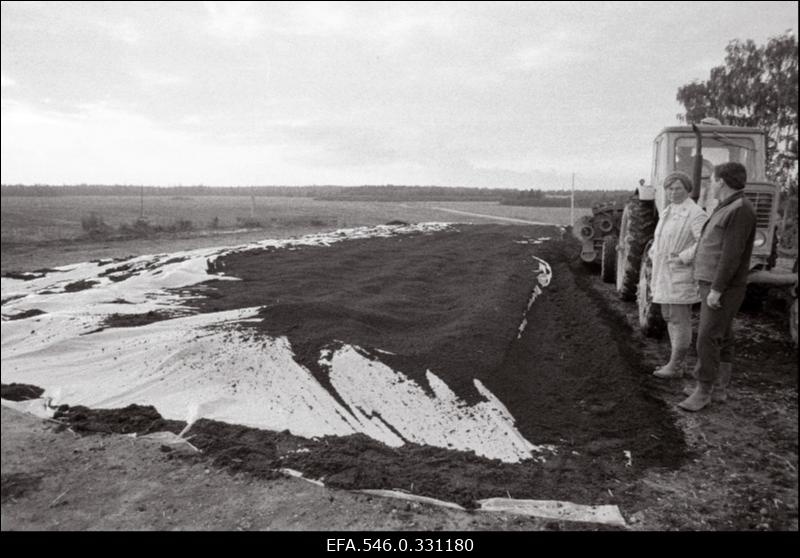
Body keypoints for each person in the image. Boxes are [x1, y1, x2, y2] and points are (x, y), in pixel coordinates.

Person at [679, 161, 756, 412]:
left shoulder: (740, 209)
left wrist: (717, 289)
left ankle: (703, 391)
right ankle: (720, 389)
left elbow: (731, 254)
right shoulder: (726, 207)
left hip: (721, 286)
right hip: (712, 282)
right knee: (723, 334)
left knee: (707, 337)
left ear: (721, 181)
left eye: (711, 180)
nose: (710, 184)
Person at [650, 172, 708, 379]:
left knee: (679, 319)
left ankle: (675, 365)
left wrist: (683, 257)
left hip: (679, 273)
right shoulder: (668, 211)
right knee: (669, 316)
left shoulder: (696, 213)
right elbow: (660, 240)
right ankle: (675, 363)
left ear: (688, 190)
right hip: (663, 272)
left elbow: (704, 242)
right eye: (670, 188)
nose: (673, 192)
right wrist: (652, 254)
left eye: (678, 189)